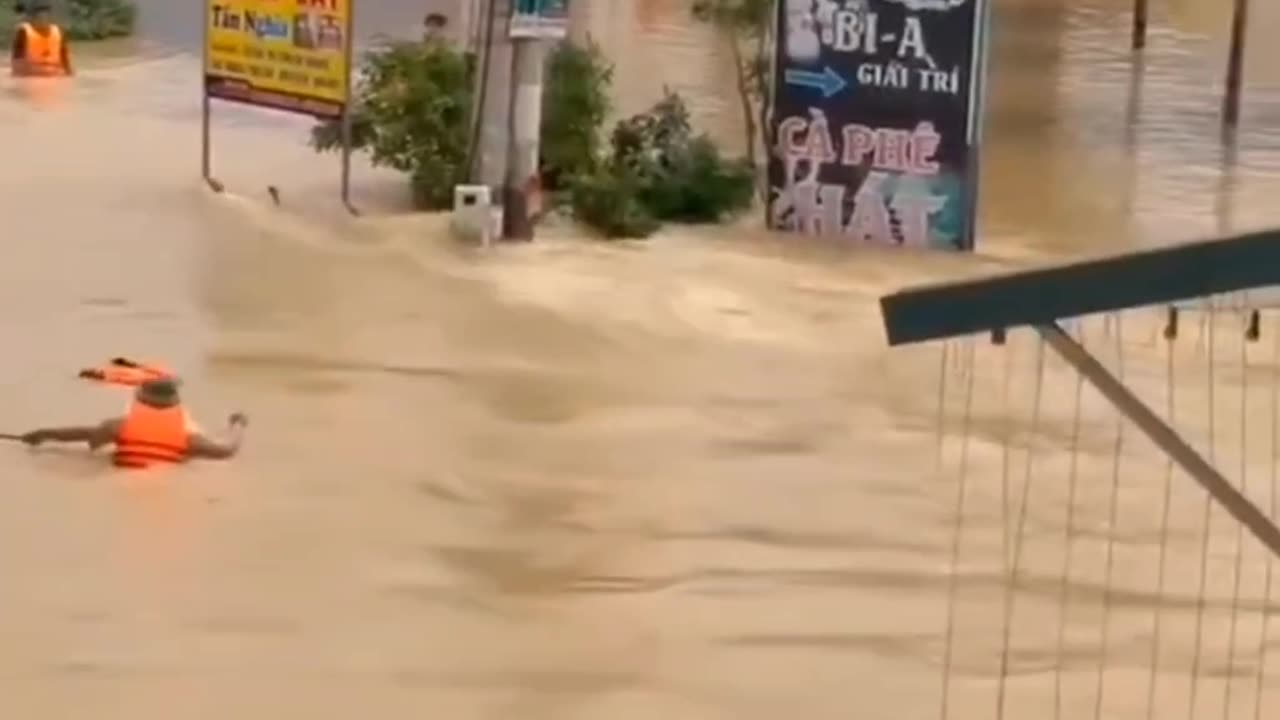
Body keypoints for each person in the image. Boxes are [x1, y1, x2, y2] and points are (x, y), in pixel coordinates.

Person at [19, 376, 248, 467]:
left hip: (119, 478)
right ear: (175, 404)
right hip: (165, 485)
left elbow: (84, 435)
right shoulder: (189, 438)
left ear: (139, 400)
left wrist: (44, 433)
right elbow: (227, 451)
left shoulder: (119, 426)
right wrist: (238, 425)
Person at [10, 0, 73, 77]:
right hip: (31, 76)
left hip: (54, 77)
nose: (43, 20)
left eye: (46, 17)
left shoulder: (58, 33)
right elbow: (16, 60)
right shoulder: (24, 33)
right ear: (33, 18)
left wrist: (69, 73)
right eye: (40, 17)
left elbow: (65, 61)